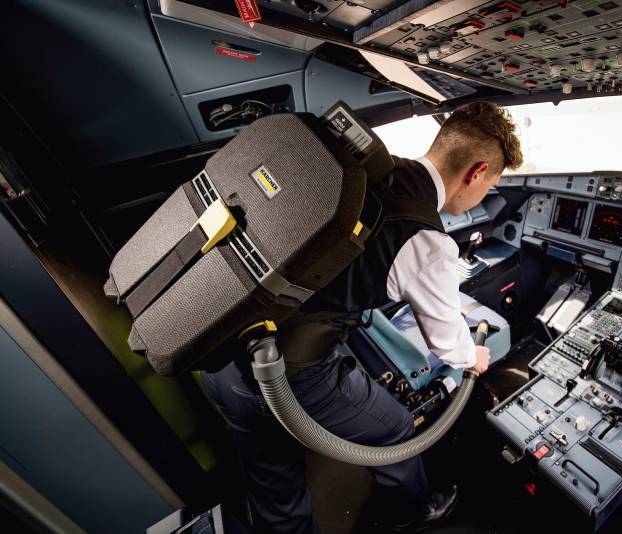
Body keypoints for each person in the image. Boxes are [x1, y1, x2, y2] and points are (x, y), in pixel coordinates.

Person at [202, 101, 523, 533]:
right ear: (477, 172)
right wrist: (475, 357)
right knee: (396, 428)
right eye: (491, 185)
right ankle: (416, 513)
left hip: (221, 348)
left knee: (273, 479)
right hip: (290, 377)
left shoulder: (359, 171)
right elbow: (449, 345)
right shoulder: (427, 240)